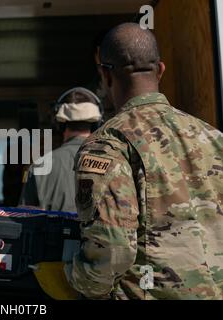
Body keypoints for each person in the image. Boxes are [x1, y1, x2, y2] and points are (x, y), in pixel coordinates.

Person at [66, 22, 223, 299]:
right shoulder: (213, 138)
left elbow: (112, 251)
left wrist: (71, 276)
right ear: (161, 70)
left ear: (105, 74)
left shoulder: (107, 144)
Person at [19, 87, 102, 212]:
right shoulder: (116, 161)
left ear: (59, 124)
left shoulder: (39, 166)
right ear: (97, 124)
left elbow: (23, 218)